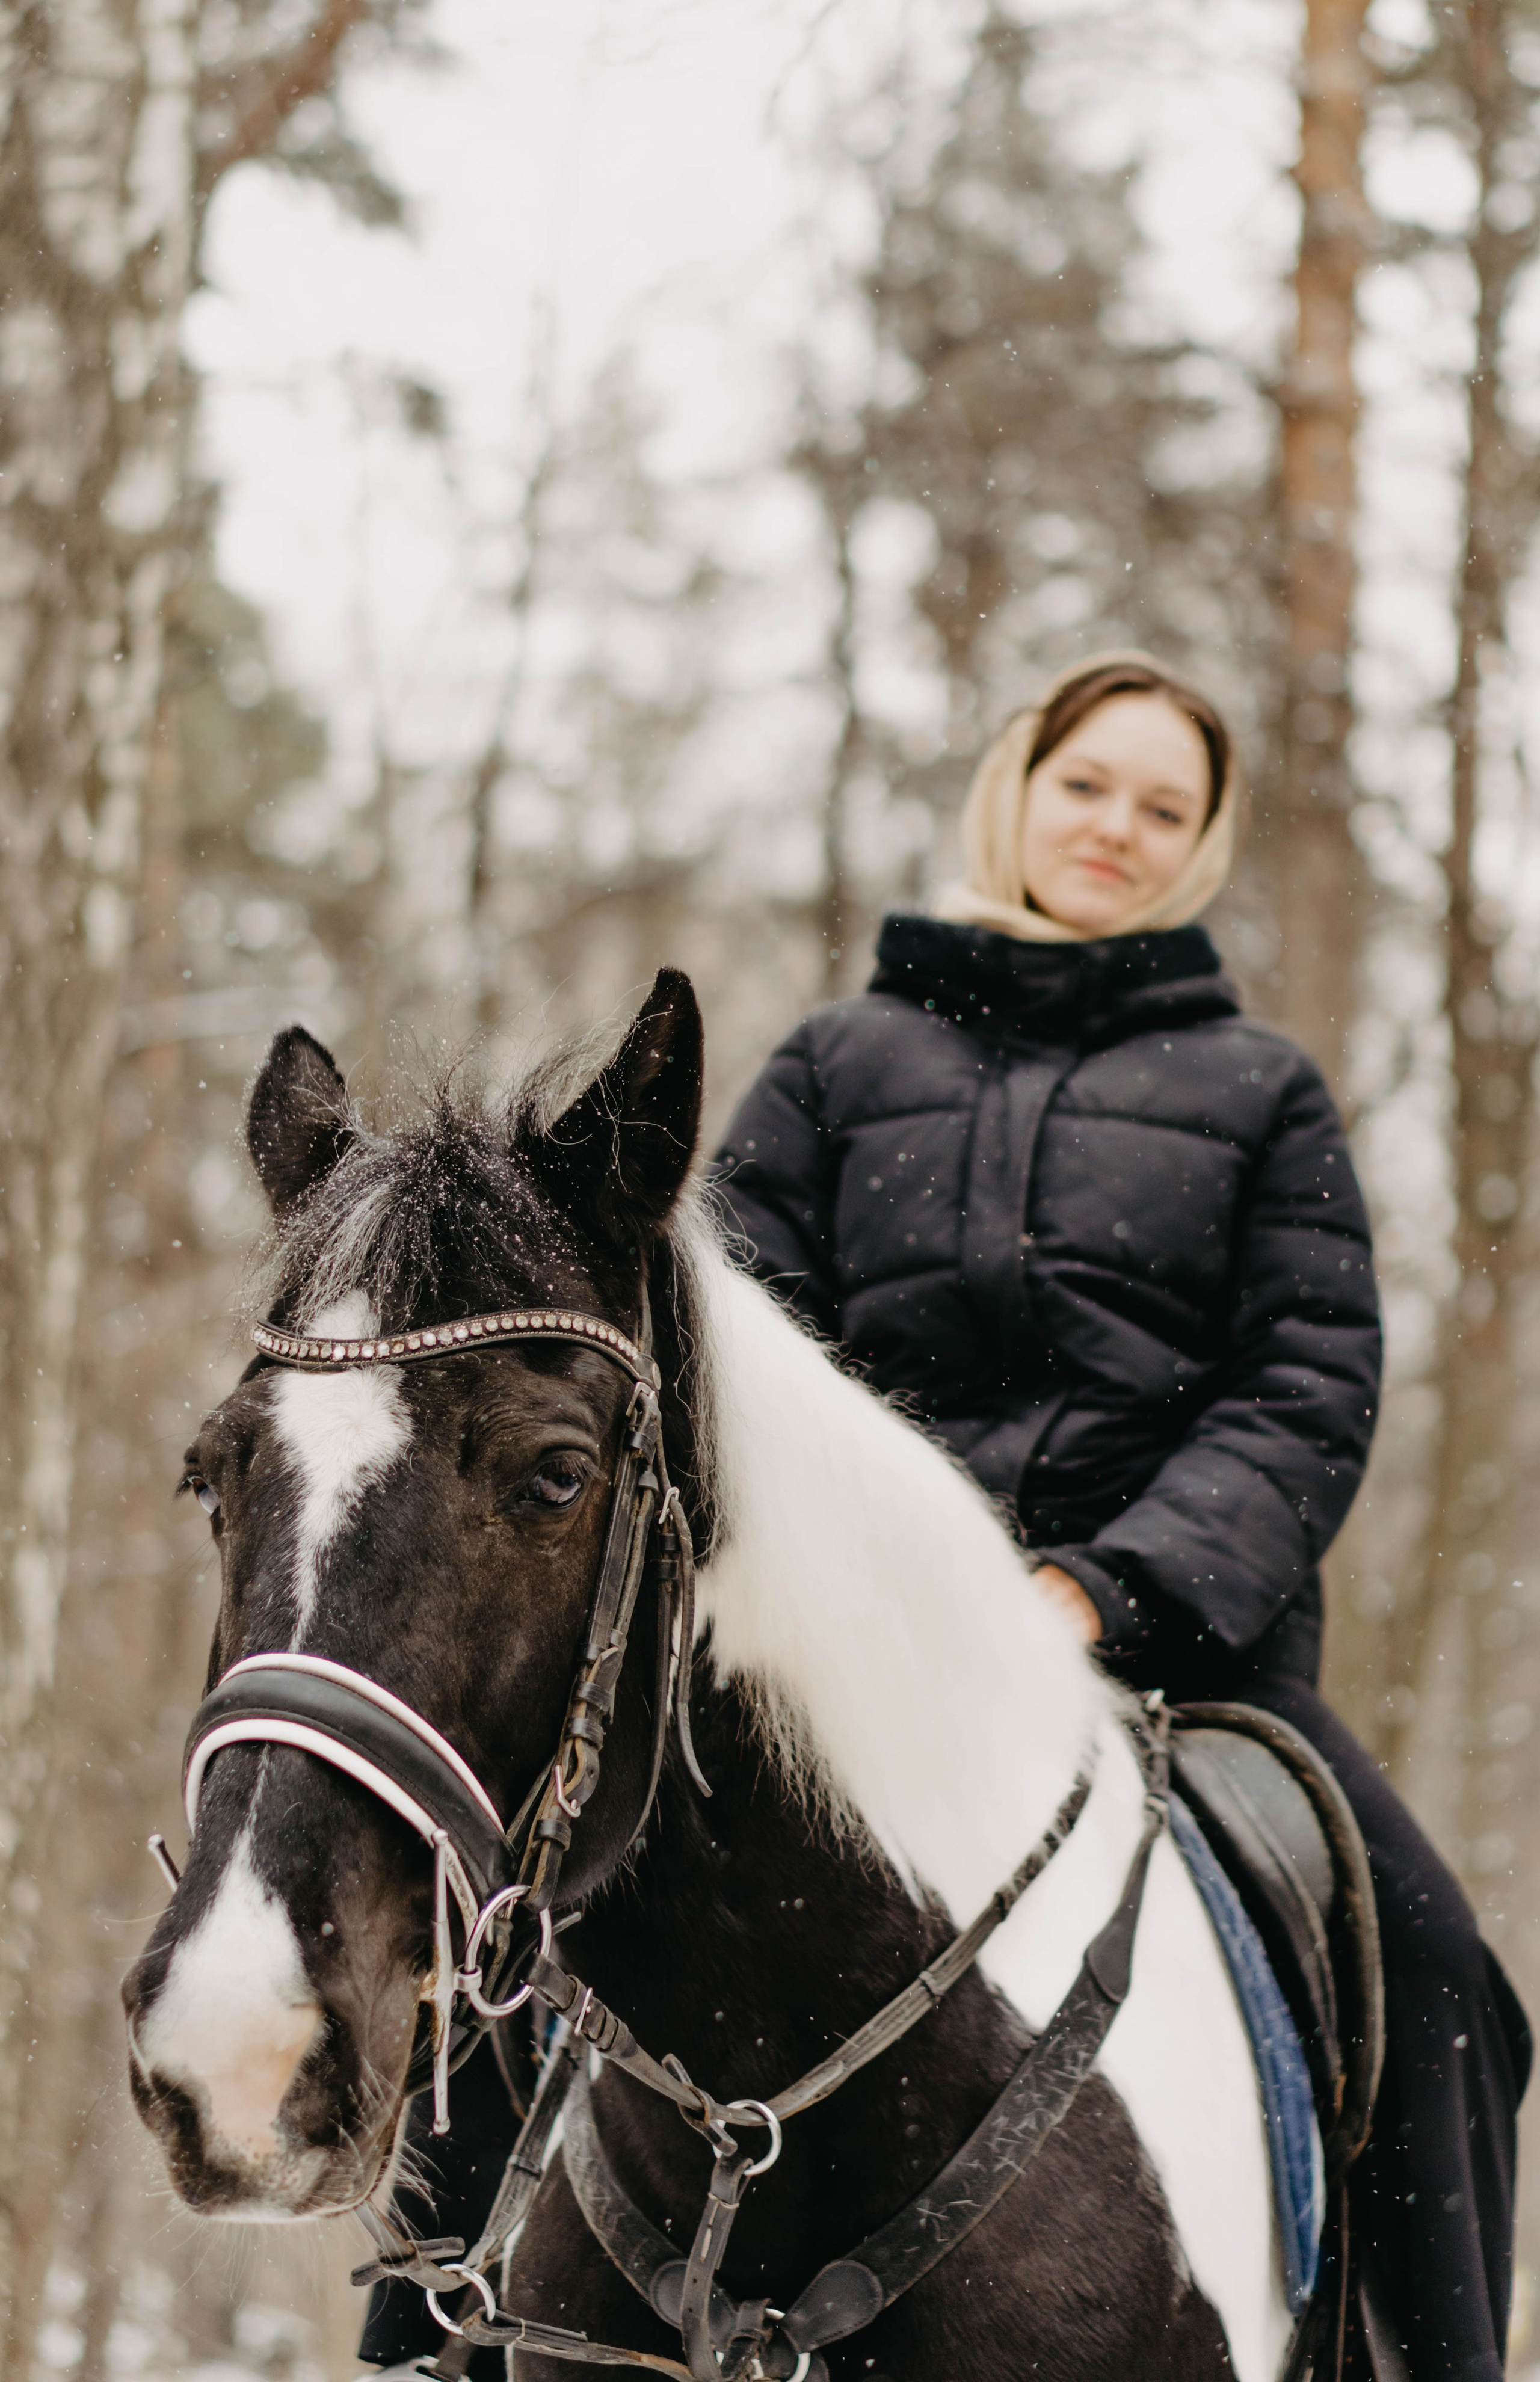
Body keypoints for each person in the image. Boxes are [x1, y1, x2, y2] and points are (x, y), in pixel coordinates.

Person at [712, 651, 1530, 2382]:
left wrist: (1106, 1591)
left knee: (1446, 1973)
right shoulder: (836, 1066)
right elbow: (734, 1359)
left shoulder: (1263, 1094)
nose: (1118, 832)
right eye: (1090, 785)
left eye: (1166, 810)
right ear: (1019, 786)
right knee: (543, 1869)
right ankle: (439, 2309)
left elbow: (1306, 1393)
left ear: (1205, 847)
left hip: (1182, 1670)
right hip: (841, 1670)